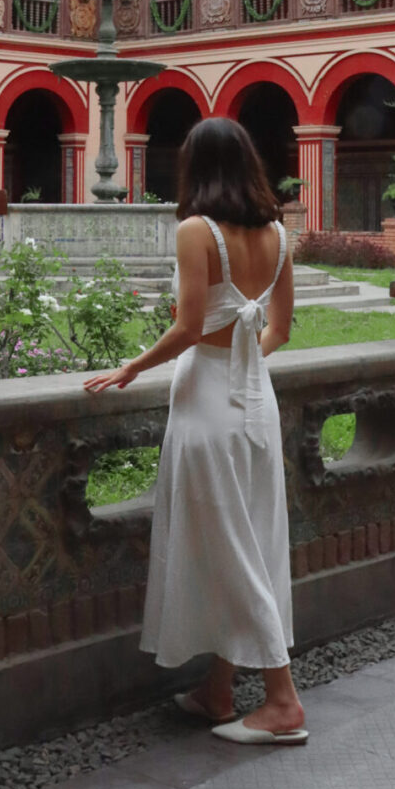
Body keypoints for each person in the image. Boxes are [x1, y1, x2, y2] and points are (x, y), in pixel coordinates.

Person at [83, 117, 307, 745]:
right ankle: (218, 689)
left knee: (229, 546)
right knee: (249, 538)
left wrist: (131, 367)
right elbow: (280, 331)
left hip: (209, 403)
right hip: (257, 402)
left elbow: (187, 326)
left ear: (195, 167)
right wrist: (242, 358)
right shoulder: (279, 236)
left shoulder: (194, 231)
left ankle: (283, 701)